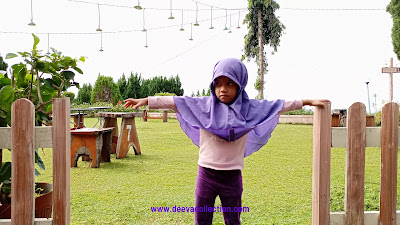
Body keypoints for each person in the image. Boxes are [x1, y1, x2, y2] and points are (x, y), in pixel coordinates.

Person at [124, 58, 329, 225]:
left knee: (233, 220)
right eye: (218, 83)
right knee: (202, 219)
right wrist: (146, 101)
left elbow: (278, 105)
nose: (223, 89)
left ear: (240, 84)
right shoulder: (203, 106)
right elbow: (175, 101)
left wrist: (308, 101)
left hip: (232, 178)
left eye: (230, 83)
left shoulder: (251, 109)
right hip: (205, 175)